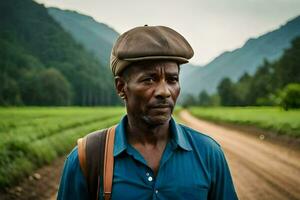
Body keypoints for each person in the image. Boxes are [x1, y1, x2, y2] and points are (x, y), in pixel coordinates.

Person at [57, 25, 238, 200]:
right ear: (121, 87)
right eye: (149, 79)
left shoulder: (208, 153)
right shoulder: (87, 158)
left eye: (172, 79)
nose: (164, 91)